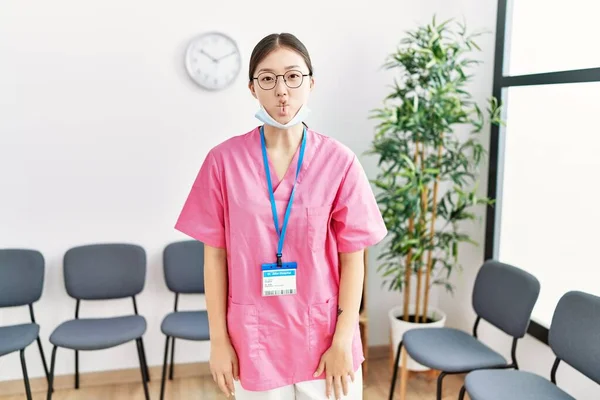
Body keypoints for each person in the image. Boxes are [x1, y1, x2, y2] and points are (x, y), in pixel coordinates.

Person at [174, 32, 387, 400]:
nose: (281, 90)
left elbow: (354, 261)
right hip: (253, 341)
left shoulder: (339, 161)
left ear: (310, 83)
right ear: (252, 88)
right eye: (268, 78)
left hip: (325, 340)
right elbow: (215, 257)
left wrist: (342, 338)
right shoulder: (223, 162)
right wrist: (218, 341)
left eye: (292, 76)